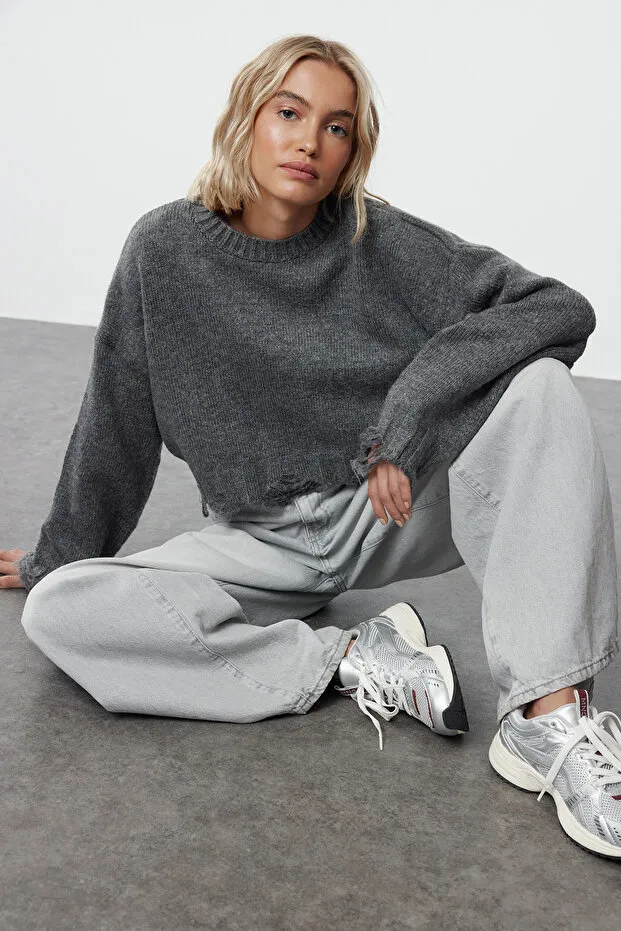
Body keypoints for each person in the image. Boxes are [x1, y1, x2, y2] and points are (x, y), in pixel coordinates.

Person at [2, 34, 621, 859]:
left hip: (384, 508)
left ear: (351, 150)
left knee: (539, 386)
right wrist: (60, 555)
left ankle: (548, 717)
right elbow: (113, 417)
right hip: (258, 541)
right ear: (246, 117)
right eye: (289, 113)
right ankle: (353, 657)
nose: (308, 142)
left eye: (335, 127)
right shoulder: (163, 251)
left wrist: (407, 418)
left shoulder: (379, 239)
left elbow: (554, 307)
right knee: (61, 609)